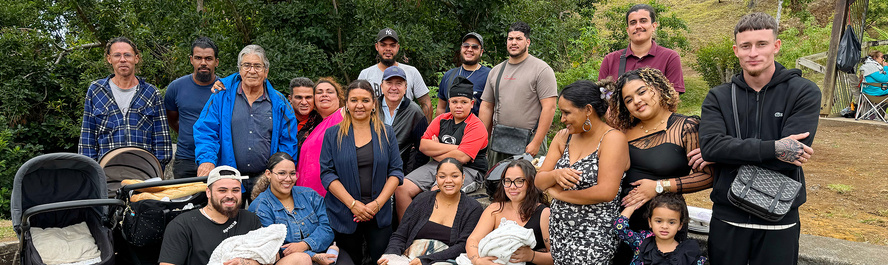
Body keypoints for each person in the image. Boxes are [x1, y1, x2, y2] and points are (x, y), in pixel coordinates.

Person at [699, 12, 820, 265]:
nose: (753, 52)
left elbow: (791, 158)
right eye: (746, 46)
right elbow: (710, 147)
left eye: (761, 44)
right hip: (727, 216)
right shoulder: (718, 97)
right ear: (736, 50)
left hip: (780, 216)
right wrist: (775, 147)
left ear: (776, 46)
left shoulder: (803, 92)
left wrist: (728, 151)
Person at [607, 68, 713, 264]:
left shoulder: (686, 127)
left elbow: (707, 176)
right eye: (628, 100)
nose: (636, 101)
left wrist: (658, 186)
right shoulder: (622, 132)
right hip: (623, 223)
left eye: (641, 92)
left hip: (665, 224)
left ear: (658, 88)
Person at [534, 80, 629, 265]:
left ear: (588, 110)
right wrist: (555, 175)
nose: (562, 119)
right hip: (560, 231)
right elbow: (538, 181)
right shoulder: (564, 137)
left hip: (594, 235)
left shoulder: (612, 139)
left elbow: (606, 192)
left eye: (567, 112)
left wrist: (559, 194)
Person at [193, 44, 299, 194]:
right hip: (228, 178)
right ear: (240, 70)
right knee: (228, 217)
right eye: (247, 65)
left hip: (266, 181)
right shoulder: (221, 97)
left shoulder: (280, 103)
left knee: (264, 218)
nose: (252, 71)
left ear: (266, 71)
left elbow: (288, 142)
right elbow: (206, 131)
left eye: (257, 66)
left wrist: (280, 171)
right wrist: (207, 160)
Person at [320, 80, 404, 265]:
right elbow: (327, 174)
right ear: (347, 104)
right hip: (343, 213)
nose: (359, 105)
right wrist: (352, 204)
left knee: (381, 261)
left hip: (379, 213)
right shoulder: (333, 135)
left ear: (374, 103)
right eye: (354, 100)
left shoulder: (386, 133)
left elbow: (396, 172)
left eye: (365, 100)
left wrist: (377, 204)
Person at [395, 77, 488, 221]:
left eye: (464, 102)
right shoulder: (441, 119)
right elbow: (423, 146)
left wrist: (437, 149)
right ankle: (406, 231)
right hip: (436, 165)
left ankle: (431, 234)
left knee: (438, 191)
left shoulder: (476, 125)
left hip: (469, 169)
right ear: (449, 103)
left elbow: (463, 158)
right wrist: (456, 149)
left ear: (472, 104)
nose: (459, 106)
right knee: (402, 188)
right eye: (455, 102)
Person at [79, 37, 171, 166]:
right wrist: (92, 173)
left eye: (127, 55)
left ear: (136, 58)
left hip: (143, 171)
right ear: (109, 59)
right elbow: (87, 139)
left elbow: (162, 141)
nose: (122, 59)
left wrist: (156, 172)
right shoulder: (96, 91)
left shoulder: (151, 93)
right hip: (107, 172)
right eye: (117, 55)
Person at [478, 21, 557, 165]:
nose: (513, 42)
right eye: (510, 39)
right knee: (497, 184)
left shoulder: (542, 70)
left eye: (519, 39)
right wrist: (483, 140)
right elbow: (487, 106)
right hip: (499, 141)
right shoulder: (496, 71)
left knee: (527, 185)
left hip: (529, 141)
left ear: (528, 42)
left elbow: (550, 107)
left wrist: (537, 142)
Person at [379, 158, 483, 265]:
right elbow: (400, 235)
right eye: (442, 176)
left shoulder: (472, 208)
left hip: (445, 261)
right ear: (436, 178)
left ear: (463, 178)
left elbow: (463, 246)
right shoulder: (422, 200)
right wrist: (391, 254)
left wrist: (426, 260)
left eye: (454, 176)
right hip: (409, 258)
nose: (448, 180)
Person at [249, 152, 346, 265]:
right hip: (289, 260)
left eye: (292, 173)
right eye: (282, 173)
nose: (288, 179)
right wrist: (313, 256)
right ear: (268, 174)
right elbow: (273, 248)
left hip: (324, 250)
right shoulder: (260, 207)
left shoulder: (309, 195)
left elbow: (328, 227)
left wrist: (305, 245)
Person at [159, 166, 263, 265]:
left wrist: (244, 262)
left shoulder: (250, 219)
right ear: (208, 193)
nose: (230, 196)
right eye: (222, 190)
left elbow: (270, 256)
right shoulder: (182, 225)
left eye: (235, 190)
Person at [466, 159, 552, 265]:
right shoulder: (495, 209)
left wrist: (532, 256)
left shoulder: (543, 213)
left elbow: (557, 257)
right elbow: (473, 240)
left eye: (519, 181)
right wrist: (477, 261)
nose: (512, 186)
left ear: (531, 183)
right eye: (507, 181)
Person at [598, 4, 685, 94]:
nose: (638, 26)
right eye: (633, 23)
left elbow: (672, 101)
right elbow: (601, 99)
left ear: (654, 26)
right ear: (628, 30)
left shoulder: (670, 57)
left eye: (643, 21)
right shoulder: (610, 60)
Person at [165, 37, 220, 178]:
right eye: (198, 58)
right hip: (185, 159)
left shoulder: (224, 89)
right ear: (191, 60)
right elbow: (172, 119)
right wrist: (189, 134)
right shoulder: (176, 88)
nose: (203, 63)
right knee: (184, 200)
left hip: (217, 159)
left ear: (216, 62)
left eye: (208, 58)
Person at [358, 27, 433, 120]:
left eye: (392, 45)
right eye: (383, 45)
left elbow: (426, 103)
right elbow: (357, 104)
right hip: (374, 129)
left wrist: (424, 130)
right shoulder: (366, 74)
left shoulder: (411, 72)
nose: (388, 49)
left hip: (406, 129)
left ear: (398, 47)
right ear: (377, 47)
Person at [613, 193, 706, 265]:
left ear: (680, 225)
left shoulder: (688, 252)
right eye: (658, 221)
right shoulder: (641, 241)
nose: (664, 226)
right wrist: (634, 203)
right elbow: (619, 227)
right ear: (650, 222)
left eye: (671, 222)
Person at [297, 77, 346, 197]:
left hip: (331, 195)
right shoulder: (313, 127)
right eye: (319, 92)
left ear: (339, 98)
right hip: (305, 197)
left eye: (329, 92)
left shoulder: (343, 115)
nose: (324, 95)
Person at [377, 66, 429, 172]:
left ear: (405, 88)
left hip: (400, 172)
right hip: (372, 169)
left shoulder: (415, 112)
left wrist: (408, 174)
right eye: (389, 83)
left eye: (399, 83)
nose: (394, 88)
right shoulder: (371, 108)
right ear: (382, 87)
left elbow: (422, 151)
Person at [436, 32, 491, 117]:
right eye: (466, 46)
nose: (469, 49)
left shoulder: (489, 75)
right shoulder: (449, 75)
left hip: (475, 129)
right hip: (449, 128)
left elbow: (491, 109)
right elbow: (441, 108)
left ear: (481, 52)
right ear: (461, 48)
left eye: (475, 47)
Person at [289, 77, 323, 146]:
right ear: (290, 99)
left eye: (308, 97)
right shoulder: (280, 119)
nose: (304, 102)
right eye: (299, 97)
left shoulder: (321, 123)